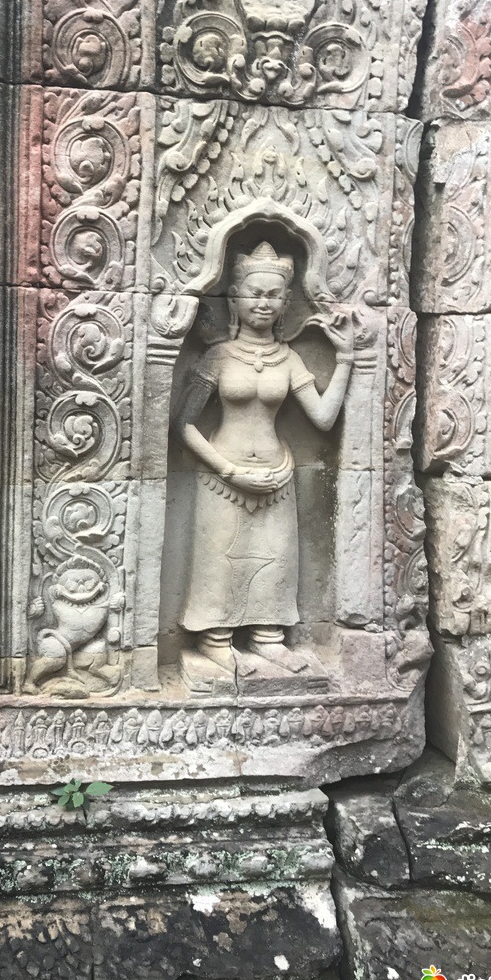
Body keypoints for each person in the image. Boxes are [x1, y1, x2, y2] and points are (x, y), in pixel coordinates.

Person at [173, 241, 353, 682]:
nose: (264, 303)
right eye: (254, 293)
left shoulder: (288, 359)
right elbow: (184, 424)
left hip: (277, 476)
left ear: (286, 303)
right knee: (220, 560)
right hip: (222, 475)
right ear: (234, 299)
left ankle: (268, 637)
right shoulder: (218, 356)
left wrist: (346, 358)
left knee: (275, 560)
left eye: (274, 295)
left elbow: (324, 418)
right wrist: (228, 469)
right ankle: (215, 640)